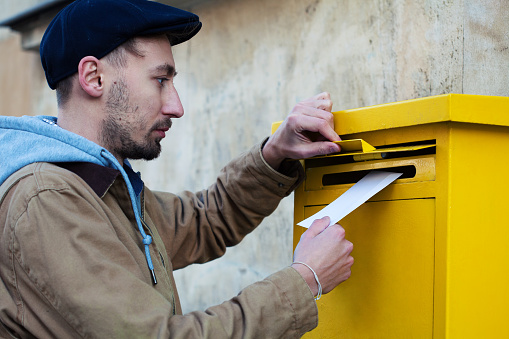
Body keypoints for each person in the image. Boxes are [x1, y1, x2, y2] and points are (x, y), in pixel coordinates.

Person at [0, 0, 354, 337]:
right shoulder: (48, 199)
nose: (177, 106)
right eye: (160, 80)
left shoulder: (96, 183)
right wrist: (305, 280)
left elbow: (205, 221)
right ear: (94, 78)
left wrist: (275, 155)